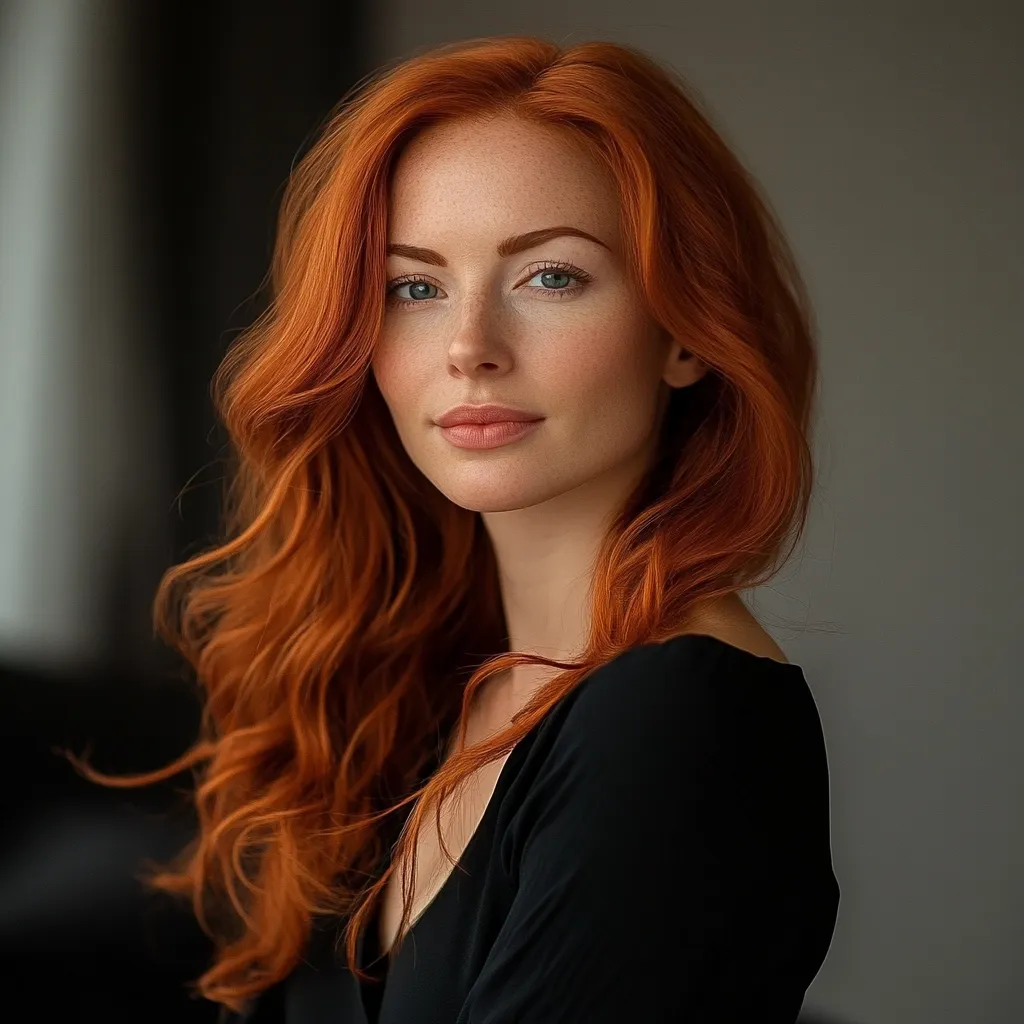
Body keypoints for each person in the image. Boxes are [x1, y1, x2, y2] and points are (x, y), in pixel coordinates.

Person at [82, 34, 840, 1022]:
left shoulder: (675, 719)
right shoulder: (435, 686)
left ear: (686, 330)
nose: (470, 347)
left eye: (551, 277)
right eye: (414, 286)